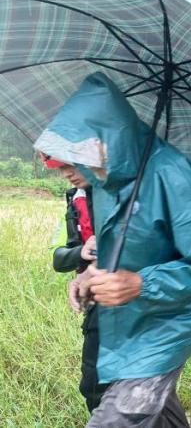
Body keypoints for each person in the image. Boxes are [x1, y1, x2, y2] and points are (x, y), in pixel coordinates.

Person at [34, 72, 191, 427]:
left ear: (108, 137)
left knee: (117, 418)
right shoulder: (108, 180)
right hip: (127, 323)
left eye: (78, 151)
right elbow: (124, 248)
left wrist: (141, 284)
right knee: (160, 413)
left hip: (168, 325)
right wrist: (92, 275)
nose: (71, 168)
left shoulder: (175, 174)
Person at [44, 153, 108, 412]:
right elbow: (58, 256)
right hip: (97, 305)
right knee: (92, 381)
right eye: (61, 168)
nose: (67, 173)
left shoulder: (125, 195)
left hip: (137, 303)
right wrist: (81, 252)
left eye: (72, 165)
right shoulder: (75, 202)